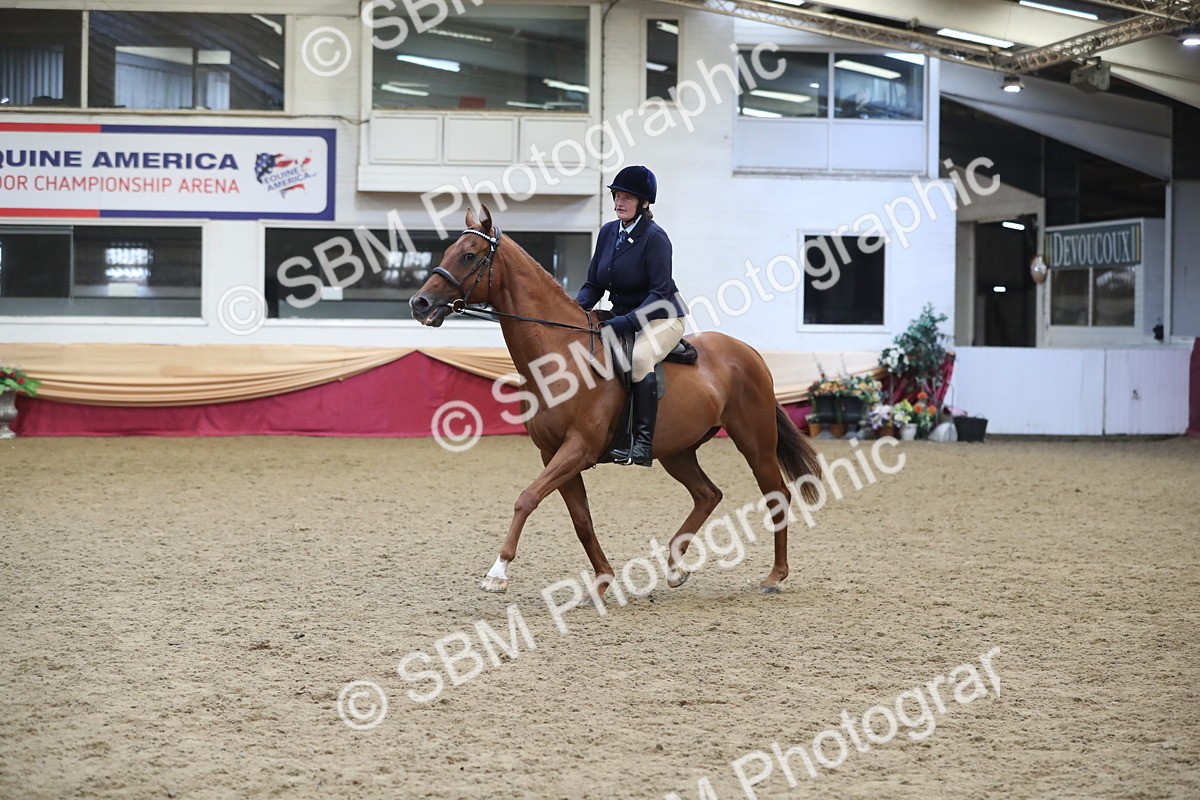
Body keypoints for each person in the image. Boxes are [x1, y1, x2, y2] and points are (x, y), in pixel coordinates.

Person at [575, 165, 687, 466]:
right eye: (617, 195)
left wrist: (623, 322)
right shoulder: (609, 232)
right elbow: (594, 284)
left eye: (627, 197)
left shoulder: (655, 238)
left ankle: (642, 443)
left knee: (639, 358)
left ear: (644, 202)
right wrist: (574, 310)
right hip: (621, 314)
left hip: (662, 316)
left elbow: (659, 294)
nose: (619, 202)